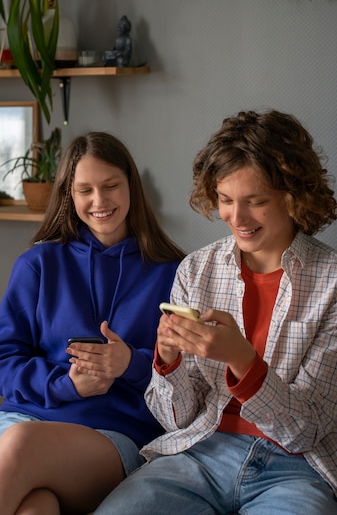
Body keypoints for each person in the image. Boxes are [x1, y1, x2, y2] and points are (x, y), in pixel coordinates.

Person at [94, 110, 337, 514]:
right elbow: (175, 420)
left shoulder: (331, 283)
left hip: (297, 469)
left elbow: (306, 430)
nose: (236, 219)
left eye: (255, 201)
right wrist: (167, 362)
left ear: (293, 195)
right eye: (225, 200)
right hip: (201, 453)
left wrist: (241, 358)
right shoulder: (196, 269)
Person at [0, 131, 185, 515]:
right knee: (36, 508)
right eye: (85, 190)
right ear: (69, 195)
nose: (99, 201)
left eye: (111, 185)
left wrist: (130, 363)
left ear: (132, 185)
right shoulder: (38, 264)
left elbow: (189, 379)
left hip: (113, 434)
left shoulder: (174, 273)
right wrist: (65, 385)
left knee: (21, 444)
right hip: (26, 416)